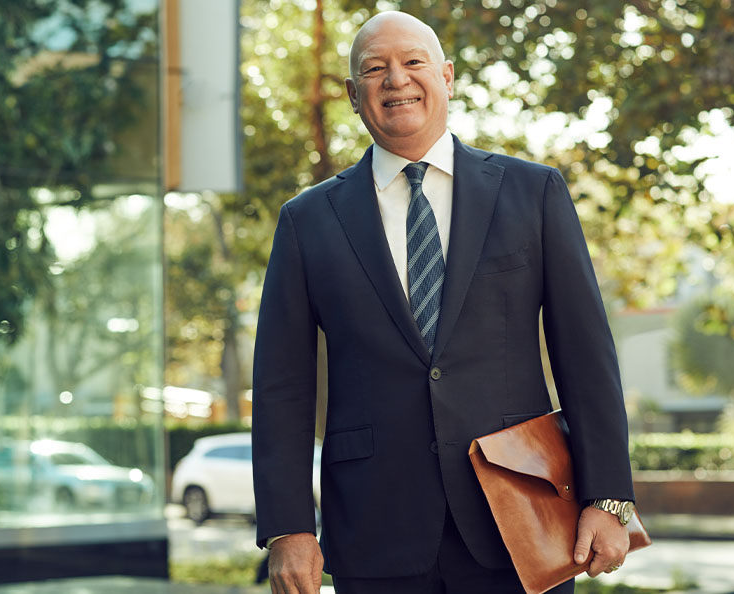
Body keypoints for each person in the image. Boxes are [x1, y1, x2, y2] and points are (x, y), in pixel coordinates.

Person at [252, 11, 634, 594]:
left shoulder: (534, 193)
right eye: (374, 69)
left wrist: (607, 497)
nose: (395, 80)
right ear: (354, 96)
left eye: (413, 62)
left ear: (448, 77)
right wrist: (287, 528)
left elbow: (585, 357)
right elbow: (282, 386)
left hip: (522, 518)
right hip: (377, 529)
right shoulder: (307, 221)